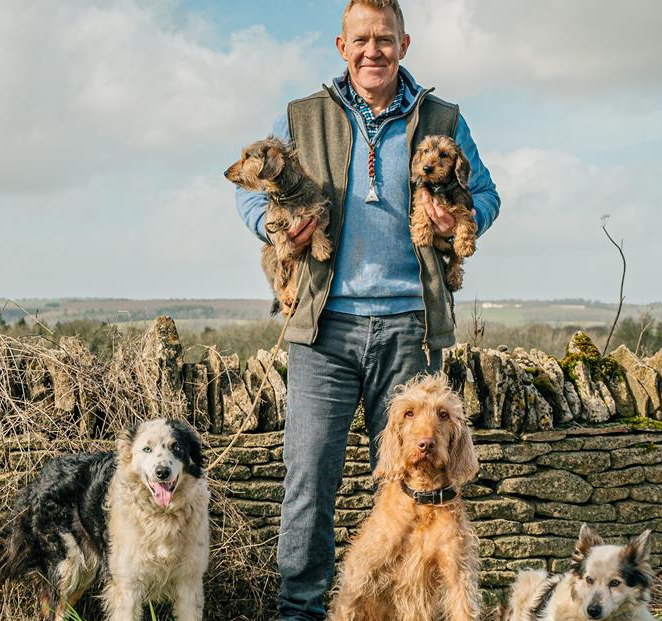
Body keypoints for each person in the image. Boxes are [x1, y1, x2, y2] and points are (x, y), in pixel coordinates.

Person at [232, 1, 500, 618]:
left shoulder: (442, 118)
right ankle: (299, 611)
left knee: (423, 482)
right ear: (340, 45)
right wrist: (275, 233)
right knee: (308, 484)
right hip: (323, 328)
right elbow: (251, 197)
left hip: (410, 327)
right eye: (361, 40)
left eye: (384, 39)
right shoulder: (301, 116)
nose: (372, 50)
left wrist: (462, 216)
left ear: (404, 44)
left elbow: (486, 195)